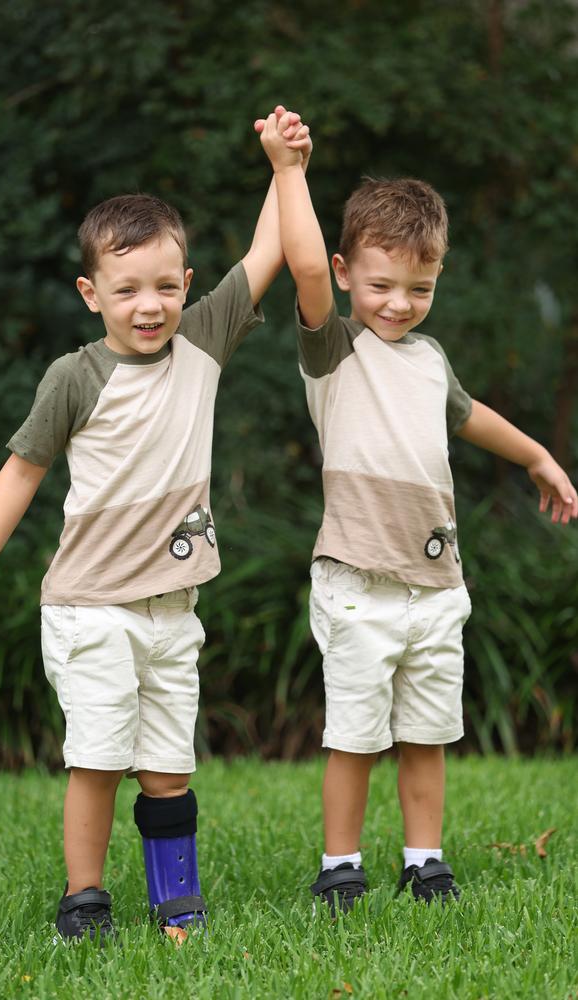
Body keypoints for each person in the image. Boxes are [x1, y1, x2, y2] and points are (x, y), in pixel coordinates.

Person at [0, 107, 312, 944]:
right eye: (126, 289)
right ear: (91, 295)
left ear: (187, 284)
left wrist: (282, 164)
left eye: (165, 286)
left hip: (173, 611)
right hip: (91, 609)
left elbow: (267, 256)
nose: (149, 306)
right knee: (99, 760)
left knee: (168, 768)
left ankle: (175, 903)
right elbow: (23, 471)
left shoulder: (206, 340)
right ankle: (85, 900)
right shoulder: (74, 378)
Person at [255, 109, 578, 909]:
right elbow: (297, 266)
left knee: (427, 734)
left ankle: (424, 860)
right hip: (358, 584)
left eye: (420, 288)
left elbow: (468, 416)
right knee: (355, 738)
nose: (399, 303)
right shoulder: (334, 349)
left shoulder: (430, 360)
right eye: (381, 284)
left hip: (436, 589)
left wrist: (537, 454)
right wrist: (289, 171)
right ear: (343, 273)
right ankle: (340, 867)